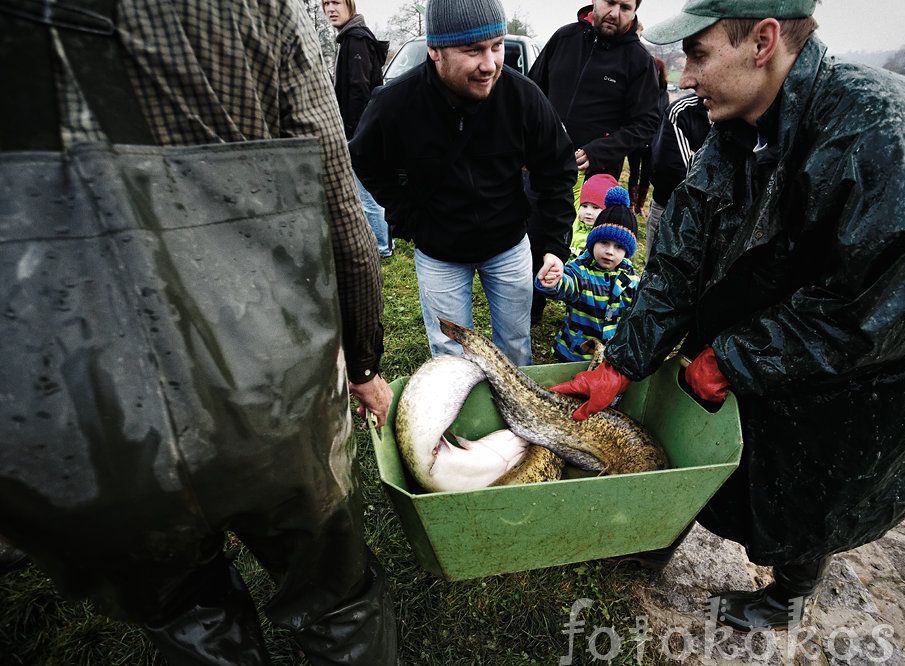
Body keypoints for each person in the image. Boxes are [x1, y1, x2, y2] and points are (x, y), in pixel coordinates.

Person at [550, 0, 905, 632]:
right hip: (756, 339)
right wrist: (623, 361)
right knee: (708, 455)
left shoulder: (889, 134)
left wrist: (735, 357)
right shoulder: (732, 125)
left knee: (811, 493)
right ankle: (649, 537)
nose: (684, 78)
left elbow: (878, 308)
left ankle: (786, 596)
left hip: (855, 380)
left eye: (699, 55)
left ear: (762, 41)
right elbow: (677, 260)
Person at [0, 1, 396, 663]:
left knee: (188, 615)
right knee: (335, 599)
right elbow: (338, 210)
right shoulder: (259, 8)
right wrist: (361, 361)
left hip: (86, 416)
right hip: (269, 382)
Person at [350, 0, 577, 365]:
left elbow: (558, 168)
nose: (489, 64)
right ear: (435, 50)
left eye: (496, 46)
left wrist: (554, 244)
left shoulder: (522, 96)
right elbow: (364, 158)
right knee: (449, 354)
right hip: (440, 253)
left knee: (516, 346)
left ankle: (511, 422)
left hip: (509, 246)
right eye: (473, 50)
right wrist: (408, 218)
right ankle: (464, 422)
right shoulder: (396, 103)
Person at [525, 0, 659, 323]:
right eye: (610, 2)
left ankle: (589, 314)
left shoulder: (638, 61)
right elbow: (530, 92)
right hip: (545, 165)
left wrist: (601, 150)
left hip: (595, 177)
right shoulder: (563, 39)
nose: (615, 12)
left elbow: (647, 122)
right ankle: (531, 308)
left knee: (591, 246)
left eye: (625, 6)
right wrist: (527, 144)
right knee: (534, 235)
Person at [537, 187, 641, 363]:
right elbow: (567, 284)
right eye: (604, 242)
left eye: (618, 247)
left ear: (627, 251)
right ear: (592, 242)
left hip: (609, 359)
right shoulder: (580, 271)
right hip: (574, 355)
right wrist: (554, 281)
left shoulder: (632, 279)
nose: (609, 251)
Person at [325, 0, 394, 258]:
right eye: (325, 3)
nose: (330, 9)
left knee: (367, 192)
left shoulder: (355, 39)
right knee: (369, 188)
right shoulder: (351, 38)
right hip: (365, 129)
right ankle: (385, 241)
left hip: (361, 131)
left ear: (349, 5)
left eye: (336, 2)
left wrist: (354, 137)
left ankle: (381, 246)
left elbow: (358, 90)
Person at [646, 92, 711, 256]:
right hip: (666, 207)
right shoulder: (682, 111)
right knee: (655, 270)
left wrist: (693, 157)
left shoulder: (743, 114)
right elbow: (667, 169)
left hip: (710, 223)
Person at [626, 57, 670, 218]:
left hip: (652, 141)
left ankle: (640, 206)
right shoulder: (640, 89)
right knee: (634, 173)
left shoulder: (663, 94)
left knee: (646, 174)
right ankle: (631, 203)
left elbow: (662, 117)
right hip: (636, 140)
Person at [569, 173, 620, 257]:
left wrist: (576, 253)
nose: (588, 212)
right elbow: (575, 189)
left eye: (595, 207)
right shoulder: (575, 219)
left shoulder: (606, 234)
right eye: (584, 206)